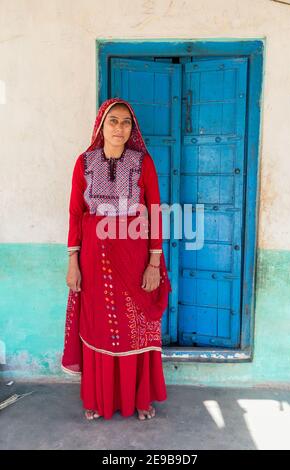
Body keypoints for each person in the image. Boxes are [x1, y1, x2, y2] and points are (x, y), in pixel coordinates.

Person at [61, 97, 172, 421]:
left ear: (131, 128)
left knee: (136, 326)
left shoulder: (143, 163)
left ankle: (139, 399)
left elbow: (154, 211)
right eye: (113, 121)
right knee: (98, 326)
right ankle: (98, 399)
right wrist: (73, 261)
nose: (119, 128)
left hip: (135, 259)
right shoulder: (84, 163)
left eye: (126, 122)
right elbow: (75, 213)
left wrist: (154, 263)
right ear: (101, 125)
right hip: (94, 262)